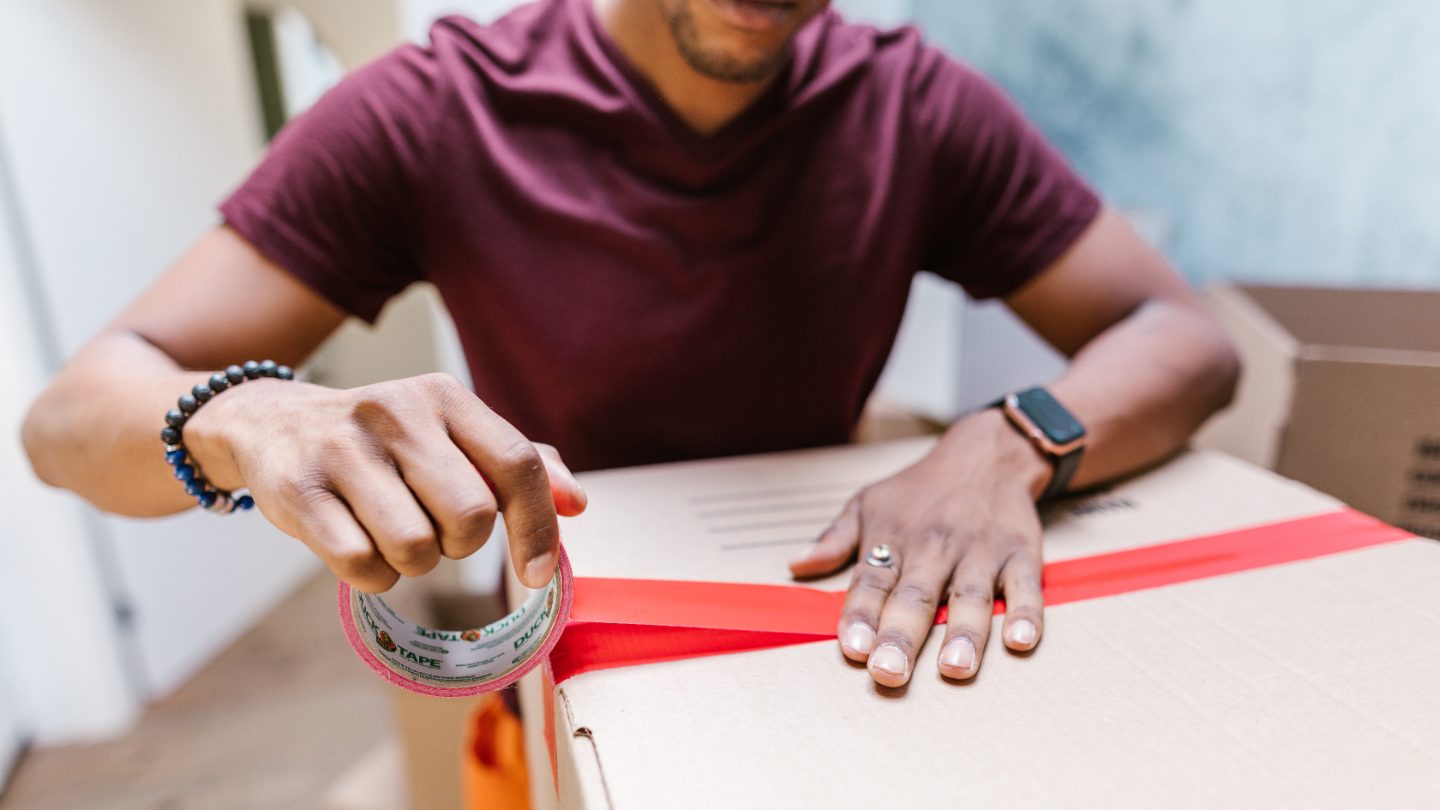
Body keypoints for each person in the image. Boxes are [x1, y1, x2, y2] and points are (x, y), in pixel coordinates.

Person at [21, 0, 1239, 690]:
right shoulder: (440, 107)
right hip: (566, 657)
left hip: (825, 635)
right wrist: (249, 416)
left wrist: (1013, 437)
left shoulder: (909, 104)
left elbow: (1186, 335)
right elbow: (69, 422)